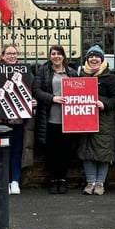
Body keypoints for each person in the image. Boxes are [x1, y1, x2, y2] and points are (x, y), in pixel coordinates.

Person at [0, 44, 35, 195]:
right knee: (1, 151)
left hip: (17, 120)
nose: (12, 56)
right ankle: (3, 180)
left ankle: (15, 181)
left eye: (15, 53)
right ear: (2, 55)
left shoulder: (25, 71)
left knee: (17, 149)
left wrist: (33, 101)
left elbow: (32, 89)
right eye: (9, 53)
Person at [32, 45, 79, 194]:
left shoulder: (71, 72)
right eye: (53, 54)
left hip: (68, 119)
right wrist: (53, 98)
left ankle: (62, 179)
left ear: (64, 56)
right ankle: (53, 179)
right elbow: (37, 91)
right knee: (51, 151)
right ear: (50, 56)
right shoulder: (43, 71)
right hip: (50, 118)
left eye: (59, 54)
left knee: (65, 151)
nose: (56, 56)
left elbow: (80, 90)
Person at [77, 44, 115, 196]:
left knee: (103, 152)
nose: (94, 59)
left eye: (97, 56)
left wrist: (105, 104)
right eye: (91, 56)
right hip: (85, 119)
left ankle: (100, 183)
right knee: (86, 150)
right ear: (87, 59)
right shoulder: (81, 76)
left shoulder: (110, 78)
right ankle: (90, 182)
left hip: (104, 120)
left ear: (101, 59)